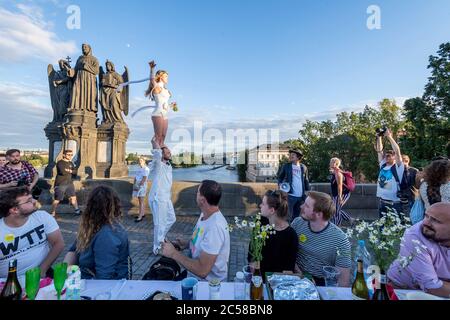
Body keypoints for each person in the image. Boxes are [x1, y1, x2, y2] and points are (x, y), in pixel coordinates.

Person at [161, 180, 230, 282]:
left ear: (202, 200)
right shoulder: (205, 214)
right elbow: (204, 241)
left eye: (198, 192)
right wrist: (188, 243)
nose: (196, 194)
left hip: (207, 286)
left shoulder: (215, 228)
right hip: (193, 277)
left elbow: (202, 271)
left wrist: (173, 253)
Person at [63, 186, 130, 280]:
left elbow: (104, 278)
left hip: (102, 287)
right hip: (85, 280)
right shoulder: (92, 226)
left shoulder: (107, 235)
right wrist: (64, 273)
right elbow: (74, 249)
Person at [387, 202, 450, 298]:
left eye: (435, 220)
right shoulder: (414, 237)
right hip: (404, 289)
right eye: (426, 216)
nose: (426, 223)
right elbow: (432, 287)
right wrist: (439, 286)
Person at [0, 187, 65, 278]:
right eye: (29, 201)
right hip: (8, 282)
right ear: (14, 210)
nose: (34, 201)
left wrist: (42, 270)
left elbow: (58, 243)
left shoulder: (42, 217)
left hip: (43, 273)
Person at [291, 191, 351, 287]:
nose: (301, 207)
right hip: (295, 276)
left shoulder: (340, 240)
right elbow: (288, 252)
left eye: (306, 206)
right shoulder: (297, 223)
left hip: (321, 284)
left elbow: (343, 281)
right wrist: (301, 275)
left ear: (319, 214)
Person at [248, 190, 298, 281]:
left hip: (276, 282)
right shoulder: (260, 220)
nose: (260, 206)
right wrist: (252, 262)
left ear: (271, 210)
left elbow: (288, 269)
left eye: (263, 204)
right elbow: (252, 248)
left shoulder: (291, 235)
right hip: (256, 276)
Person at [148, 137, 176, 255]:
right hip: (158, 198)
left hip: (166, 197)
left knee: (171, 218)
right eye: (167, 152)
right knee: (159, 223)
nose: (170, 153)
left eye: (170, 151)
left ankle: (161, 238)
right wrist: (155, 143)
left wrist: (164, 146)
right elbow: (157, 155)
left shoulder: (168, 166)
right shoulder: (157, 165)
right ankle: (157, 247)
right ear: (162, 153)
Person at [374, 129, 406, 217]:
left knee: (396, 229)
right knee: (382, 228)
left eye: (389, 155)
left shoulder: (397, 167)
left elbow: (397, 151)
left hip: (395, 204)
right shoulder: (383, 166)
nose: (386, 156)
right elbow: (379, 151)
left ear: (394, 157)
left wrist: (389, 137)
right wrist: (379, 137)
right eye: (386, 155)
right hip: (382, 202)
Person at [145, 60, 177, 146]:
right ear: (161, 77)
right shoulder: (157, 88)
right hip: (157, 114)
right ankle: (157, 155)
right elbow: (152, 80)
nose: (167, 78)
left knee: (163, 138)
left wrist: (171, 105)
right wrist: (152, 69)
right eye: (166, 76)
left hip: (165, 114)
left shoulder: (166, 91)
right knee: (158, 137)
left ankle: (162, 158)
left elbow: (165, 105)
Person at [277, 149, 310, 222]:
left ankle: (294, 230)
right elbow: (280, 178)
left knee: (296, 217)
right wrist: (281, 188)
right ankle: (287, 231)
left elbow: (306, 180)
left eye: (293, 155)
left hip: (301, 196)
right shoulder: (286, 166)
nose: (290, 156)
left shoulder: (303, 167)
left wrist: (307, 191)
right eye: (290, 155)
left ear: (298, 157)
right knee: (287, 216)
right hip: (290, 195)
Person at [50, 150, 81, 217]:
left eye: (71, 155)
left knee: (73, 197)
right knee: (57, 199)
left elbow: (75, 172)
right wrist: (71, 171)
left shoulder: (71, 163)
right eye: (68, 155)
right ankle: (52, 213)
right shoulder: (60, 163)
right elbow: (63, 172)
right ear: (64, 155)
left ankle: (77, 211)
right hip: (61, 183)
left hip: (69, 183)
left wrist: (69, 170)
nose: (70, 156)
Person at [329, 157, 354, 226]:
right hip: (336, 194)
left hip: (341, 194)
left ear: (335, 164)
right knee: (335, 209)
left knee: (335, 211)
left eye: (331, 162)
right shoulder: (335, 172)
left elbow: (339, 186)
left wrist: (340, 197)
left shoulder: (338, 173)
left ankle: (337, 226)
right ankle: (350, 219)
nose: (330, 163)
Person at [133, 157, 150, 222]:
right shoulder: (139, 168)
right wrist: (135, 184)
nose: (140, 162)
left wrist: (139, 186)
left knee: (141, 201)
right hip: (137, 185)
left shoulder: (146, 169)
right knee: (140, 201)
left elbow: (144, 178)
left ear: (144, 161)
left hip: (141, 186)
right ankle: (142, 214)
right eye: (139, 160)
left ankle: (140, 216)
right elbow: (136, 177)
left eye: (141, 160)